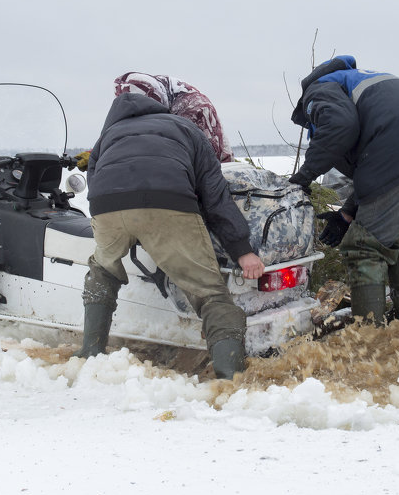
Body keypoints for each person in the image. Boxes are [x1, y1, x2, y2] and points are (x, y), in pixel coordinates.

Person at [75, 90, 265, 378]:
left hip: (106, 206)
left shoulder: (109, 135)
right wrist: (242, 249)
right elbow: (215, 195)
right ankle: (231, 381)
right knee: (211, 293)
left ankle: (90, 353)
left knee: (103, 269)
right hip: (169, 202)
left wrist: (131, 225)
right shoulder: (186, 128)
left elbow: (95, 180)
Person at [288, 55, 399, 324]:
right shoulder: (359, 81)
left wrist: (302, 178)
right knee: (391, 231)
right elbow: (376, 177)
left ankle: (369, 337)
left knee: (364, 245)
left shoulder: (318, 89)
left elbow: (339, 127)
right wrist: (346, 215)